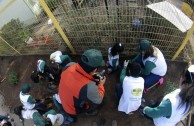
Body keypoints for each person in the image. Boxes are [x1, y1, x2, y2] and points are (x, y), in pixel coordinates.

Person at [58, 49, 106, 123]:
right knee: (97, 102)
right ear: (94, 70)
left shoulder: (70, 65)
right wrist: (101, 84)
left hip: (63, 98)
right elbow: (98, 100)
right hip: (72, 108)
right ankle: (89, 111)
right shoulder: (88, 87)